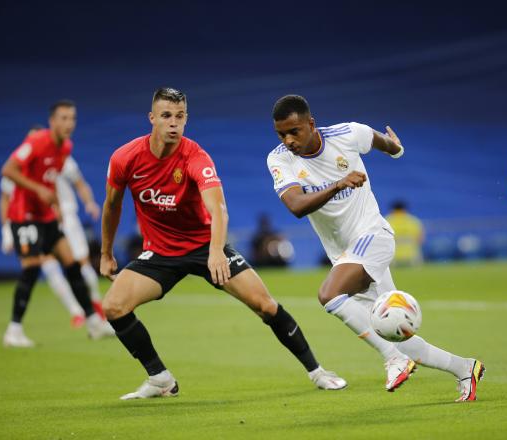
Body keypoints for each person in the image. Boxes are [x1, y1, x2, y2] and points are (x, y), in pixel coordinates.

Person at [100, 87, 346, 400]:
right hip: (160, 252)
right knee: (113, 306)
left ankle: (318, 372)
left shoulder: (195, 156)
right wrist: (106, 253)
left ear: (186, 119)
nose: (173, 123)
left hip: (205, 246)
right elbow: (111, 206)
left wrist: (216, 252)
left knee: (265, 305)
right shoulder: (125, 158)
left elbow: (218, 208)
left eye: (179, 116)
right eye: (166, 116)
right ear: (152, 118)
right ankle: (160, 378)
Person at [267, 95, 484, 401]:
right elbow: (296, 206)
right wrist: (338, 184)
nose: (288, 140)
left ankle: (392, 358)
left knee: (329, 296)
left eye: (295, 131)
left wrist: (396, 149)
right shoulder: (279, 159)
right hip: (346, 256)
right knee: (392, 330)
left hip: (373, 235)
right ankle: (465, 368)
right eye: (281, 134)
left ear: (311, 124)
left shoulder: (347, 134)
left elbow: (383, 142)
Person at [0, 101, 114, 347]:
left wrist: (56, 208)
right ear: (52, 121)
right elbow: (8, 170)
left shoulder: (65, 147)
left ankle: (93, 321)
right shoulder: (37, 141)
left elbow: (50, 180)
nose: (68, 123)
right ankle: (14, 330)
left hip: (47, 217)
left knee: (71, 264)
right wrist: (38, 189)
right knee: (31, 269)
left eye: (72, 118)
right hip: (24, 216)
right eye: (63, 118)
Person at [385, 200, 425, 266]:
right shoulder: (413, 221)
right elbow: (421, 240)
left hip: (392, 258)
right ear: (405, 209)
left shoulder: (387, 221)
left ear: (392, 209)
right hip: (411, 257)